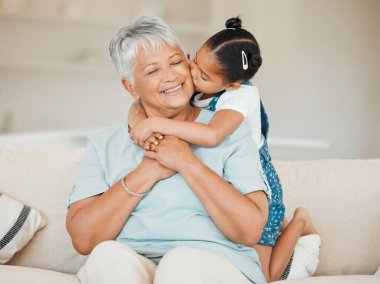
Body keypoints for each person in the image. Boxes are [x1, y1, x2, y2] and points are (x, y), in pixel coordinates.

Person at [66, 15, 272, 284]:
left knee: (180, 263)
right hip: (134, 260)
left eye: (176, 62)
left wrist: (187, 162)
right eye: (152, 71)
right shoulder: (103, 143)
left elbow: (250, 230)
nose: (171, 76)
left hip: (216, 260)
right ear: (130, 87)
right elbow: (83, 239)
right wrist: (147, 171)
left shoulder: (229, 130)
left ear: (189, 62)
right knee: (106, 256)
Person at [128, 16, 321, 282]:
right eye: (194, 62)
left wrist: (154, 123)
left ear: (231, 84)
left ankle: (300, 221)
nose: (192, 75)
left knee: (267, 273)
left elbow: (212, 134)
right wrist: (138, 125)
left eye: (203, 75)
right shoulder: (205, 80)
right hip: (222, 167)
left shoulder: (241, 96)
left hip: (253, 178)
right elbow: (137, 104)